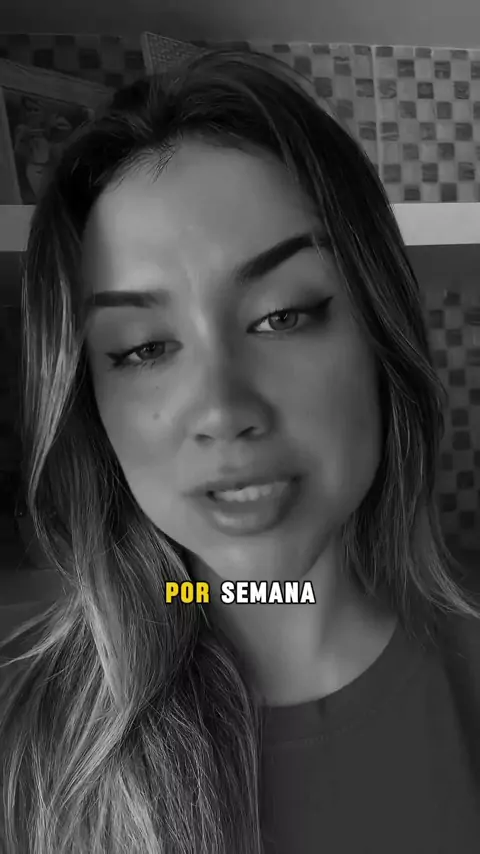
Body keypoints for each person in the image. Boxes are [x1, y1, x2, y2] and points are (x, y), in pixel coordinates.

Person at [0, 47, 479, 854]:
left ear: (380, 333)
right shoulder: (25, 754)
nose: (223, 411)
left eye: (282, 315)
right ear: (92, 405)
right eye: (143, 348)